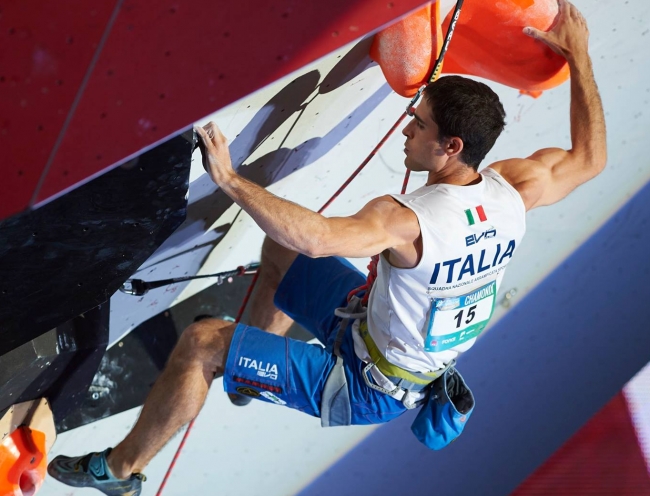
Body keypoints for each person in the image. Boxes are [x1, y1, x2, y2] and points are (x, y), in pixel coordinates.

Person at [47, 1, 606, 494]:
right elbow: (589, 159)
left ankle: (120, 471)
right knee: (280, 253)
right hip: (371, 330)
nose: (406, 129)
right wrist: (578, 53)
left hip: (367, 385)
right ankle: (254, 365)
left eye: (420, 124)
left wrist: (230, 179)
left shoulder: (407, 221)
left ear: (451, 146)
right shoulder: (513, 191)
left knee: (201, 343)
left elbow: (314, 235)